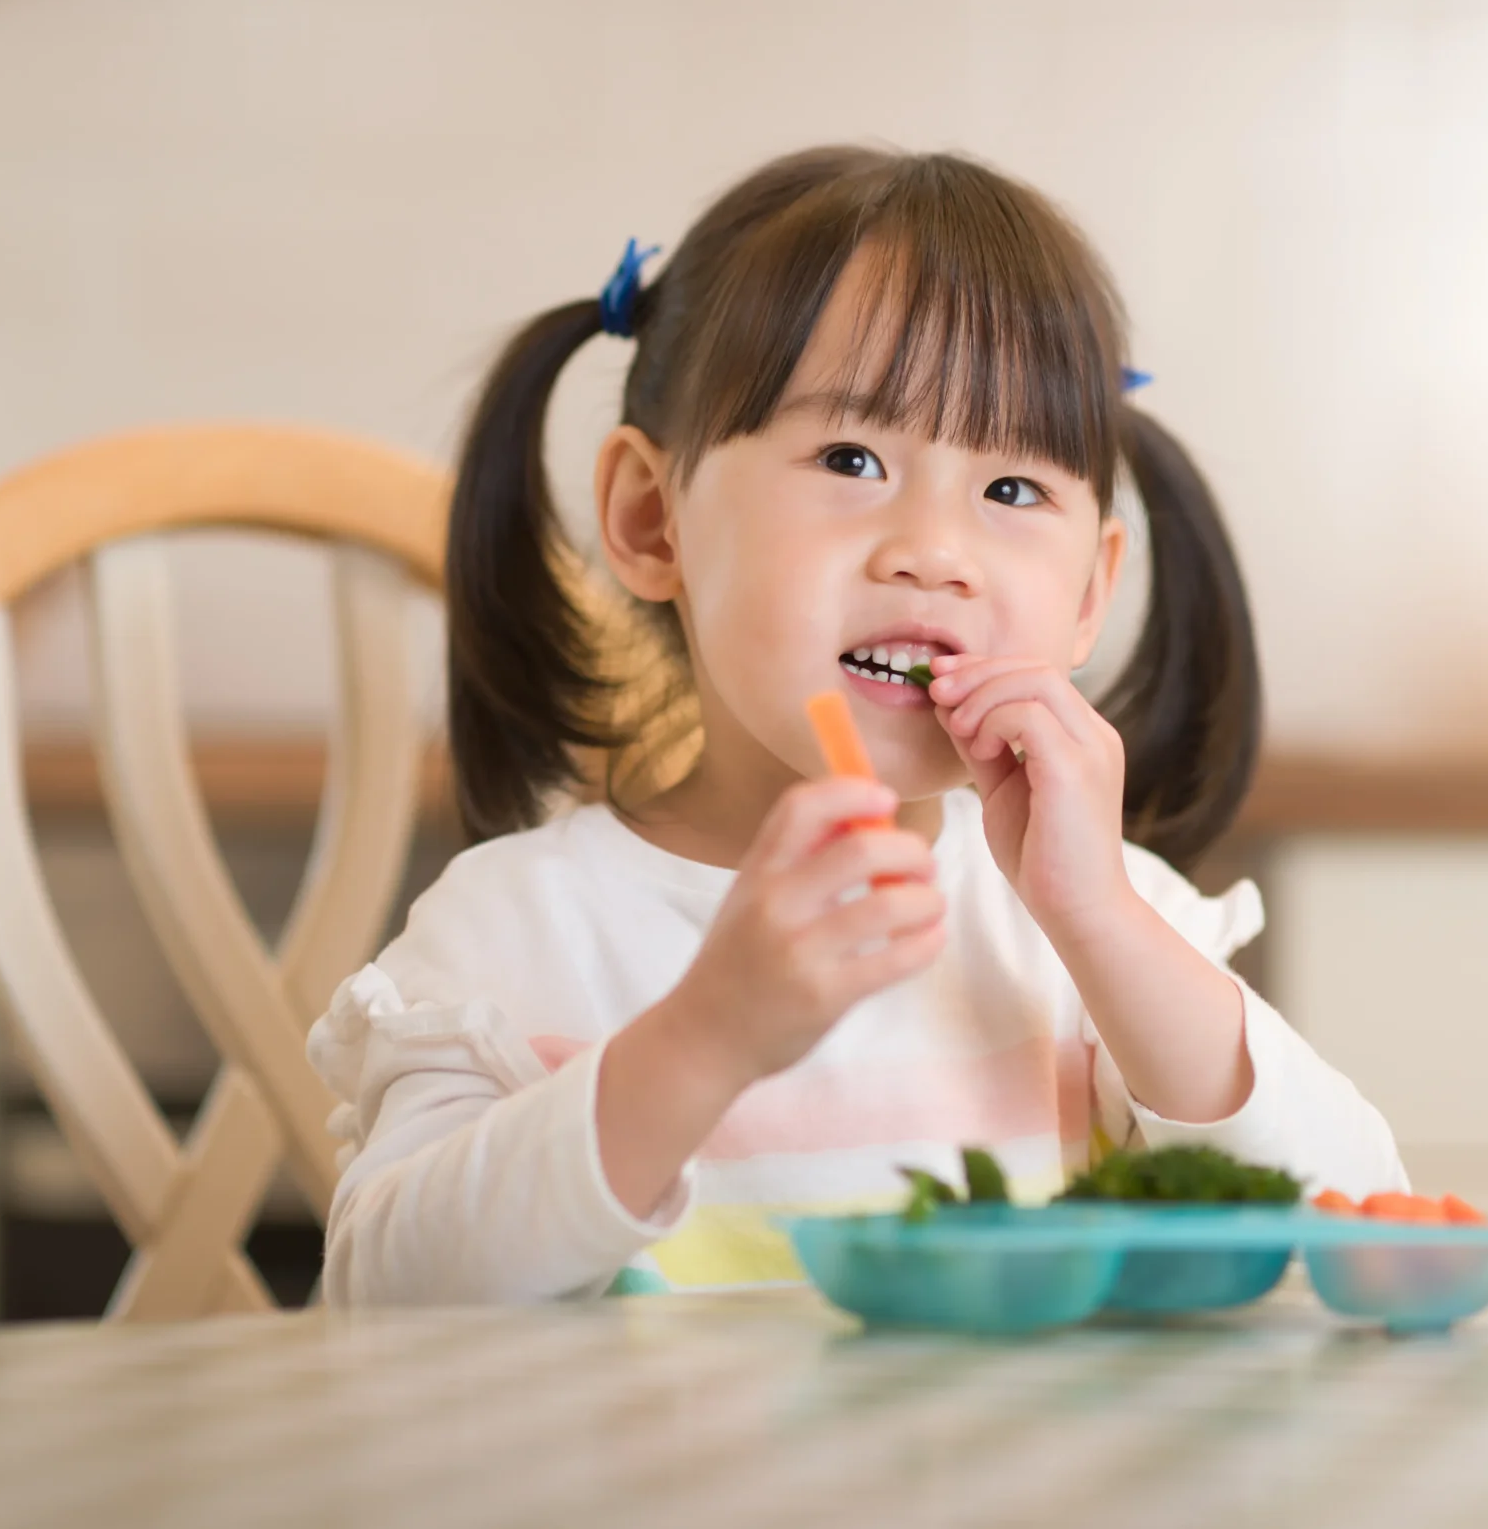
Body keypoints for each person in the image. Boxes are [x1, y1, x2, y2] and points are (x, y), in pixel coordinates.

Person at [309, 146, 1406, 1304]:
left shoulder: (1103, 934)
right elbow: (381, 1307)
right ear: (651, 518)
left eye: (1012, 491)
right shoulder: (519, 932)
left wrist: (1102, 924)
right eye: (850, 458)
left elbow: (1353, 1230)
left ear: (1090, 591)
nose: (932, 550)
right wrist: (701, 1038)